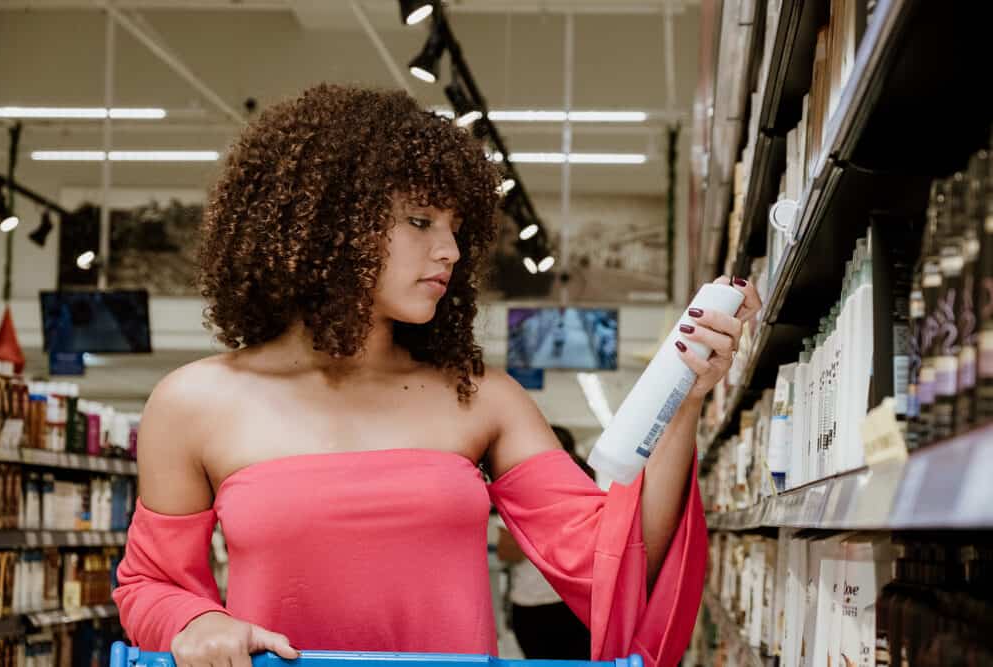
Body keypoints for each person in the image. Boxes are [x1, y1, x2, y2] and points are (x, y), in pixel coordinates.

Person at [112, 84, 761, 667]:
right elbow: (149, 583)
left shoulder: (482, 398)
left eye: (455, 228)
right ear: (328, 221)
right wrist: (197, 620)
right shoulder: (193, 403)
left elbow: (612, 561)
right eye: (420, 221)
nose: (448, 250)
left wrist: (684, 399)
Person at [496, 425, 593, 660]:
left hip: (568, 601)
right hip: (537, 601)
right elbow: (508, 553)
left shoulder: (585, 491)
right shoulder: (518, 494)